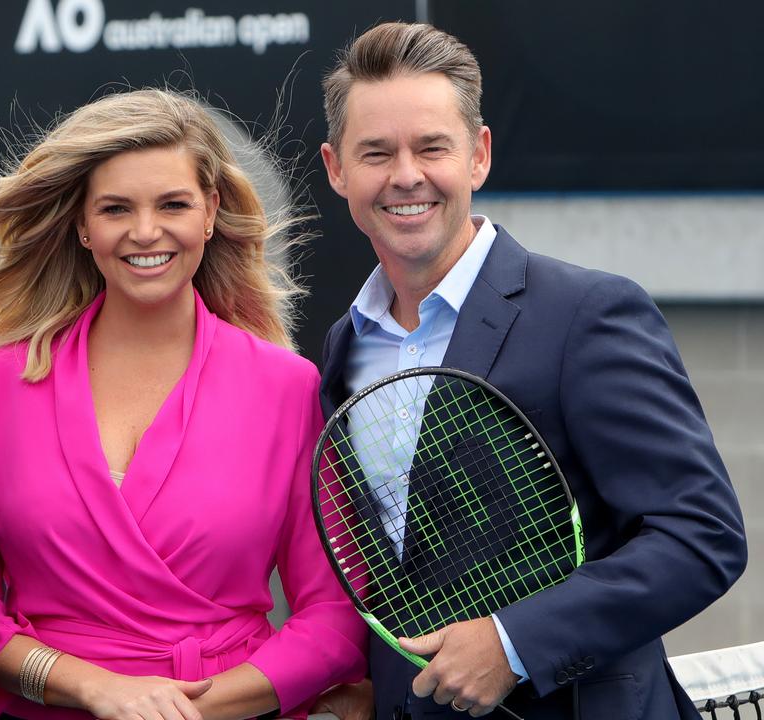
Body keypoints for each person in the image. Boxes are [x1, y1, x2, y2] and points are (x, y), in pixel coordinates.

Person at [316, 21, 748, 720]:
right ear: (337, 168)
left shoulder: (588, 313)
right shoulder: (344, 348)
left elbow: (702, 537)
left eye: (432, 147)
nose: (405, 175)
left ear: (479, 155)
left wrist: (514, 643)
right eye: (377, 153)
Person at [0, 88, 369, 720]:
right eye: (116, 208)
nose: (145, 232)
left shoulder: (286, 387)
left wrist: (192, 709)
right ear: (82, 225)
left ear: (209, 212)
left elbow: (335, 617)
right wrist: (94, 689)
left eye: (172, 204)